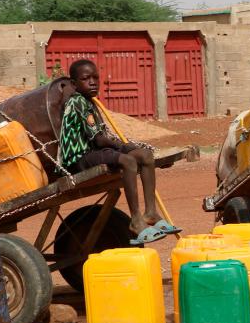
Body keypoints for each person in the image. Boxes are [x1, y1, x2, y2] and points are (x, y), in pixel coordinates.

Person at [59, 59, 180, 244]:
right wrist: (124, 147)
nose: (92, 82)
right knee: (128, 160)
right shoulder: (77, 102)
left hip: (93, 151)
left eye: (96, 78)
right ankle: (136, 220)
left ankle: (151, 213)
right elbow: (99, 139)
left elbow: (101, 138)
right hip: (79, 156)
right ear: (74, 84)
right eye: (86, 79)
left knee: (145, 155)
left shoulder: (89, 102)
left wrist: (128, 147)